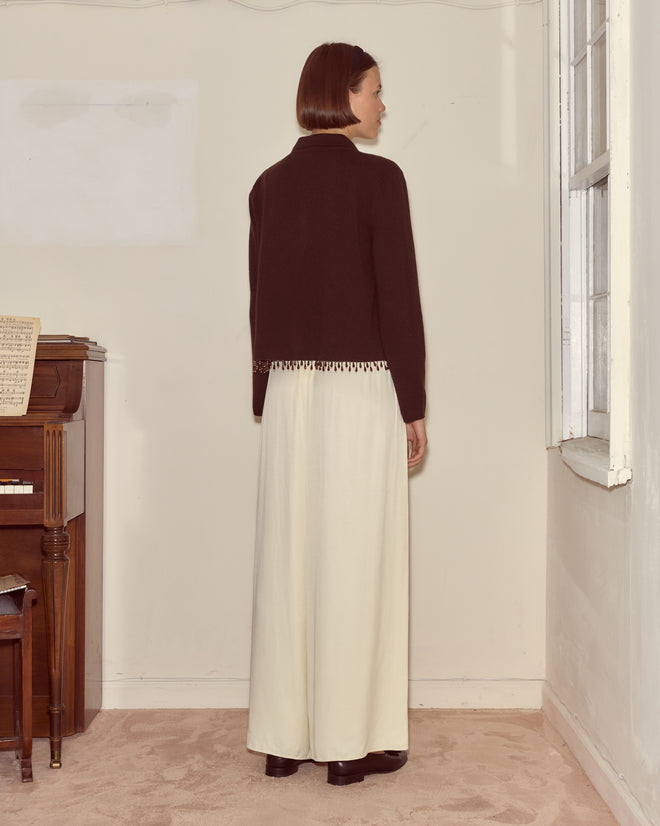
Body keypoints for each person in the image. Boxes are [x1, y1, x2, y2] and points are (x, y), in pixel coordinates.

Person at [247, 42, 427, 787]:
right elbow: (398, 298)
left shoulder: (268, 185)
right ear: (344, 95)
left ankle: (284, 741)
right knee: (357, 556)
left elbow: (259, 299)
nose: (383, 105)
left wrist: (263, 391)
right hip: (361, 390)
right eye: (376, 90)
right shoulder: (380, 180)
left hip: (290, 391)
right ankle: (350, 746)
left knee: (291, 558)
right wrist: (413, 403)